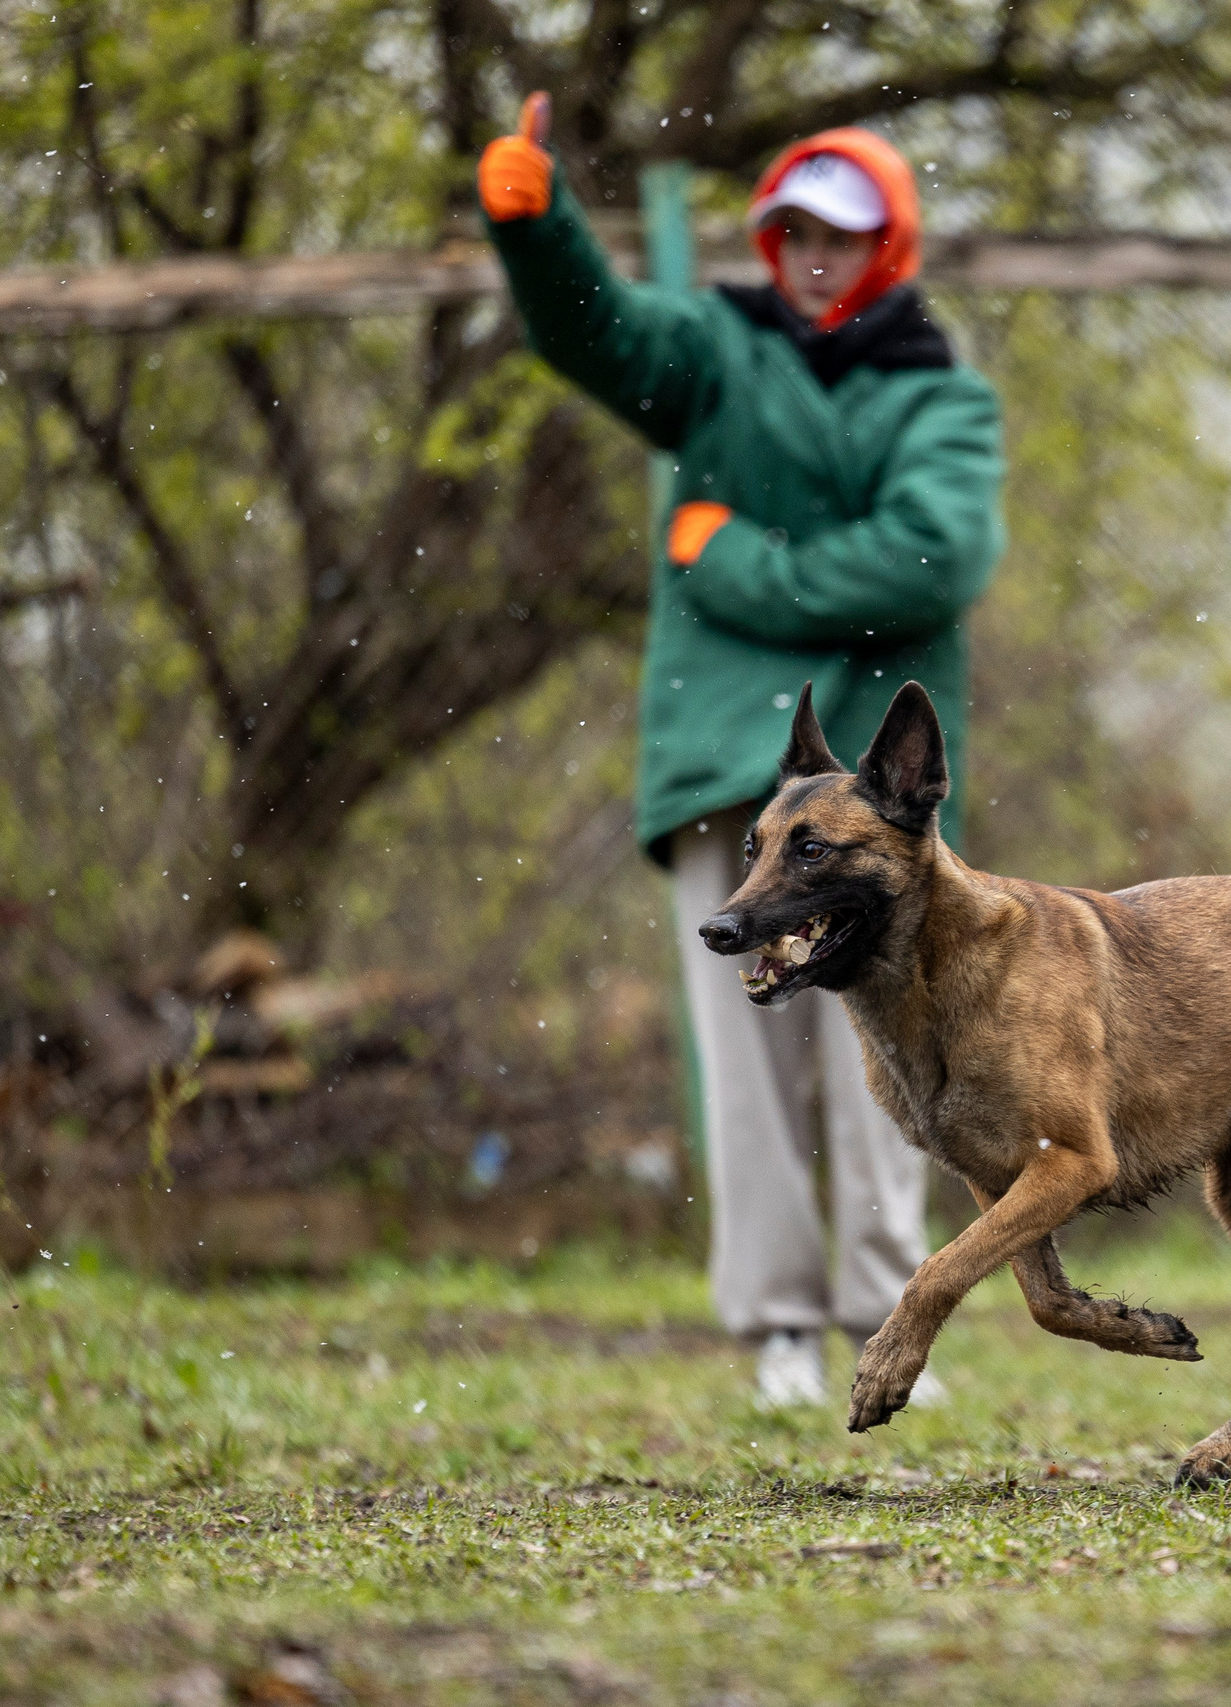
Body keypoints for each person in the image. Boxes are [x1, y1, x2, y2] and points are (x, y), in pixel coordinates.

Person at [476, 96, 1005, 1407]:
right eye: (790, 230)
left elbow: (935, 557)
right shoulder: (712, 351)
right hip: (729, 770)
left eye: (841, 234)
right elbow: (594, 334)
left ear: (889, 245)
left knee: (892, 1052)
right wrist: (538, 231)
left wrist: (741, 564)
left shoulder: (941, 394)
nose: (813, 254)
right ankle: (776, 1325)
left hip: (881, 798)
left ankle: (895, 1311)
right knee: (747, 1055)